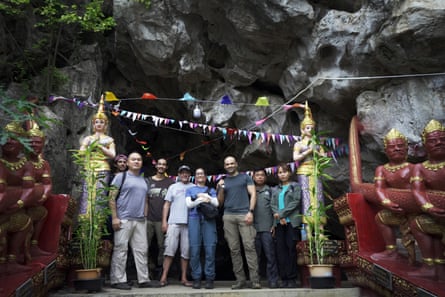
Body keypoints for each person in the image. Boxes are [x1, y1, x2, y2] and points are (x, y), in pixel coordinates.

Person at [109, 152, 158, 289]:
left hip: (140, 220)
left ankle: (143, 279)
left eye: (139, 159)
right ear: (128, 163)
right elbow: (111, 198)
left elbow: (146, 200)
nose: (136, 161)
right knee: (121, 249)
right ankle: (118, 280)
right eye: (133, 159)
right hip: (123, 219)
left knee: (142, 250)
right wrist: (114, 217)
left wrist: (145, 215)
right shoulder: (120, 177)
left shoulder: (144, 180)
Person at [216, 156, 261, 289]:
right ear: (224, 166)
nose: (230, 165)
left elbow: (253, 194)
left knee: (249, 247)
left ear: (236, 164)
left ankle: (255, 280)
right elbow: (219, 202)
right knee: (234, 249)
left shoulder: (245, 177)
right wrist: (221, 188)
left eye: (232, 163)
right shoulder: (222, 180)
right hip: (228, 216)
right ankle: (240, 280)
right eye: (227, 164)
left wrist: (250, 211)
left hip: (244, 215)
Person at [370, 129, 415, 262]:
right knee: (381, 218)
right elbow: (379, 189)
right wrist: (386, 203)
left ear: (406, 149)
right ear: (386, 150)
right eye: (392, 147)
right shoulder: (382, 170)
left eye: (400, 146)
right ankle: (391, 251)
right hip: (394, 209)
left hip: (413, 211)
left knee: (418, 226)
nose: (396, 149)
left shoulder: (413, 168)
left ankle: (426, 261)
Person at [408, 119, 445, 280]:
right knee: (418, 223)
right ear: (425, 144)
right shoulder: (420, 168)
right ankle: (430, 266)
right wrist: (429, 207)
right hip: (434, 214)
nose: (438, 143)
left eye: (442, 140)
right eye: (433, 140)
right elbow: (417, 191)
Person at [79, 96, 116, 214]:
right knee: (87, 195)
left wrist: (100, 147)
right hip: (90, 167)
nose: (99, 124)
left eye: (102, 122)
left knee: (99, 196)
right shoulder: (88, 138)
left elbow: (113, 155)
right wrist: (90, 147)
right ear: (93, 124)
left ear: (106, 125)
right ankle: (85, 220)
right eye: (97, 122)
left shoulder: (109, 139)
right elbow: (81, 153)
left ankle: (98, 223)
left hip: (103, 168)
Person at [159, 165, 194, 287]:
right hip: (173, 222)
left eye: (187, 173)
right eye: (182, 173)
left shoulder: (194, 187)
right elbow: (166, 205)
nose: (184, 175)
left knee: (186, 252)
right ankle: (164, 277)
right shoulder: (173, 187)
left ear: (189, 175)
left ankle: (184, 278)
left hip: (189, 224)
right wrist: (164, 221)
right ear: (179, 174)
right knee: (169, 250)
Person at [185, 168, 219, 289]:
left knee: (210, 249)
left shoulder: (211, 189)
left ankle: (209, 278)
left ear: (205, 177)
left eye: (202, 174)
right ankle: (196, 277)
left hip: (208, 220)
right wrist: (201, 199)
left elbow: (216, 203)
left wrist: (203, 196)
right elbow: (189, 204)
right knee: (194, 250)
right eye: (198, 174)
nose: (200, 175)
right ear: (195, 176)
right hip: (194, 219)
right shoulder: (190, 190)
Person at [270, 163, 302, 288]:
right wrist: (278, 217)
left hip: (291, 223)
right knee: (280, 251)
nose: (282, 174)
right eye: (279, 172)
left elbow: (295, 202)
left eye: (284, 172)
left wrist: (282, 215)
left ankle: (292, 278)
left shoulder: (295, 186)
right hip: (278, 224)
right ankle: (284, 278)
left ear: (289, 173)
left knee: (291, 250)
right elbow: (272, 204)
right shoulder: (275, 189)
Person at [25, 123, 53, 257]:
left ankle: (34, 245)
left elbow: (47, 183)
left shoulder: (44, 164)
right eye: (32, 142)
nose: (35, 145)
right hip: (22, 202)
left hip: (38, 202)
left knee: (42, 212)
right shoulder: (22, 162)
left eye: (38, 142)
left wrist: (43, 195)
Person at [293, 101, 324, 216]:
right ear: (303, 130)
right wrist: (308, 151)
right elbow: (295, 158)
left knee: (318, 198)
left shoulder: (317, 144)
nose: (310, 130)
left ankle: (320, 228)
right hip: (304, 171)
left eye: (312, 128)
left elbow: (324, 158)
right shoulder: (299, 144)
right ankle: (307, 230)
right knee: (306, 199)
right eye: (307, 128)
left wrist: (319, 153)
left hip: (316, 170)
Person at [146, 158, 173, 275]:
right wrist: (144, 216)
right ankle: (147, 268)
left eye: (164, 164)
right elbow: (145, 200)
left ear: (166, 167)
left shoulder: (171, 183)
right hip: (148, 219)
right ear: (156, 166)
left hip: (163, 220)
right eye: (159, 164)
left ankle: (160, 269)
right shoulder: (147, 181)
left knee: (162, 246)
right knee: (144, 245)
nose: (161, 166)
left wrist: (167, 220)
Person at [252, 169, 279, 289]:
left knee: (270, 255)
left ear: (266, 177)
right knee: (254, 257)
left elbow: (275, 209)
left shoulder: (271, 190)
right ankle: (255, 280)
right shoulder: (249, 190)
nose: (259, 177)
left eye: (262, 175)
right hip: (252, 228)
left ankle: (272, 280)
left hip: (267, 228)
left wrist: (274, 224)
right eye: (257, 175)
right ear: (253, 177)